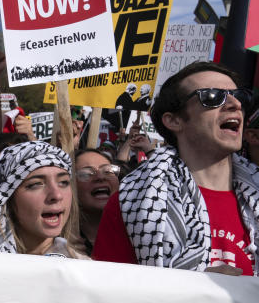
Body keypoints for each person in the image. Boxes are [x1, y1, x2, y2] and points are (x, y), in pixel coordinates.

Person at [93, 61, 258, 275]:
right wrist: (192, 289)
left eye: (240, 96)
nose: (235, 104)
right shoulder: (132, 203)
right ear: (174, 121)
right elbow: (111, 293)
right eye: (212, 96)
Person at [0, 141, 85, 257]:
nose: (57, 195)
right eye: (35, 184)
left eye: (63, 182)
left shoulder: (86, 271)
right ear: (7, 197)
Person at [74, 149, 121, 256]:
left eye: (108, 171)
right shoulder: (57, 244)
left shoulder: (134, 236)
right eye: (87, 173)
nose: (100, 177)